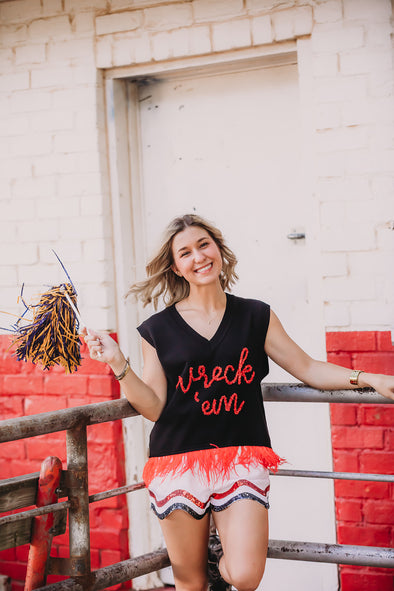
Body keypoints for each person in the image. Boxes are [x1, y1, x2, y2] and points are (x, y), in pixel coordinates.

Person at [83, 214, 394, 591]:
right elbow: (153, 407)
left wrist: (368, 378)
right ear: (176, 267)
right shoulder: (157, 329)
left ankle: (219, 559)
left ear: (218, 249)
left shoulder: (255, 315)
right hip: (177, 461)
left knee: (245, 575)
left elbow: (308, 367)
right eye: (185, 253)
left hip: (242, 459)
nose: (198, 257)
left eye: (203, 245)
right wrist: (119, 363)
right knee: (190, 584)